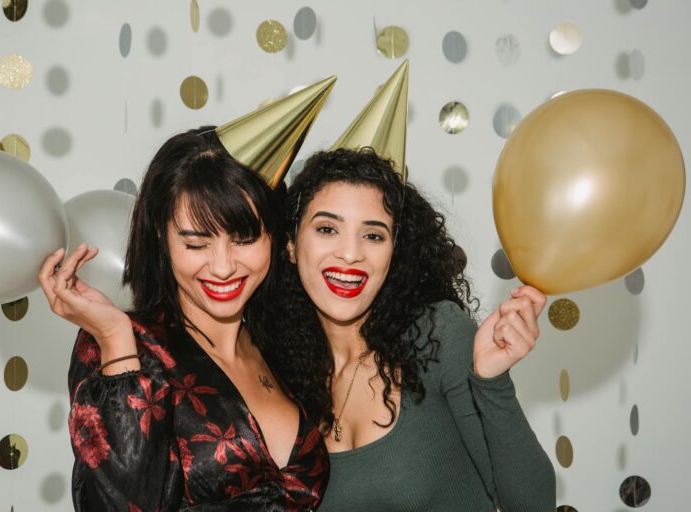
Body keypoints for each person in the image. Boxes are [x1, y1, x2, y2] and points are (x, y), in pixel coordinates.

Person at [37, 126, 330, 511]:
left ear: (273, 236)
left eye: (244, 239)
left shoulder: (285, 344)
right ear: (161, 235)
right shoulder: (119, 344)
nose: (223, 267)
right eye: (196, 243)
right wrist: (115, 339)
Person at [263, 148, 556, 511]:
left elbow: (534, 505)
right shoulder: (281, 371)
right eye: (327, 229)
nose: (350, 254)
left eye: (373, 235)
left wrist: (492, 382)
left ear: (394, 251)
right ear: (291, 244)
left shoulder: (437, 335)